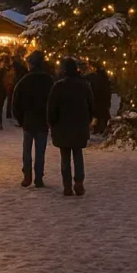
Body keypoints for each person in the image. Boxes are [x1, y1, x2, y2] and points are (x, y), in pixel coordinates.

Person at [48, 57, 93, 196]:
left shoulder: (58, 86)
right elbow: (91, 105)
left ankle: (67, 185)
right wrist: (87, 120)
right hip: (79, 125)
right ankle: (79, 182)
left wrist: (52, 122)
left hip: (62, 126)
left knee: (65, 157)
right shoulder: (84, 85)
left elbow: (51, 108)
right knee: (78, 154)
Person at [12, 50, 54, 188]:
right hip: (43, 121)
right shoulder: (49, 80)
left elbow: (16, 101)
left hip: (28, 121)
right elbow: (54, 101)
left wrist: (20, 119)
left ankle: (27, 175)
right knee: (40, 151)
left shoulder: (25, 80)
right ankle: (38, 177)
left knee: (27, 150)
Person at [87, 61, 112, 136]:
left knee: (100, 114)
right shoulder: (101, 75)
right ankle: (101, 128)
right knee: (102, 114)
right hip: (102, 99)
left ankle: (102, 128)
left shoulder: (96, 76)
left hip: (100, 98)